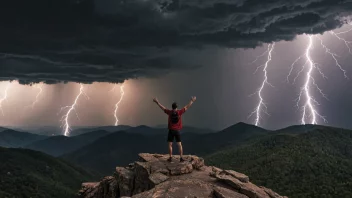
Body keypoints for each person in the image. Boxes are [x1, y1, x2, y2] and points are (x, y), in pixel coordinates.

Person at [153, 96, 196, 162]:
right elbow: (187, 107)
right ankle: (181, 158)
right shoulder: (179, 112)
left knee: (170, 145)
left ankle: (170, 157)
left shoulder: (169, 112)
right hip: (177, 131)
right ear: (176, 107)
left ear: (172, 107)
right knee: (179, 145)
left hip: (171, 131)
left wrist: (157, 102)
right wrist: (192, 101)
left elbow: (163, 108)